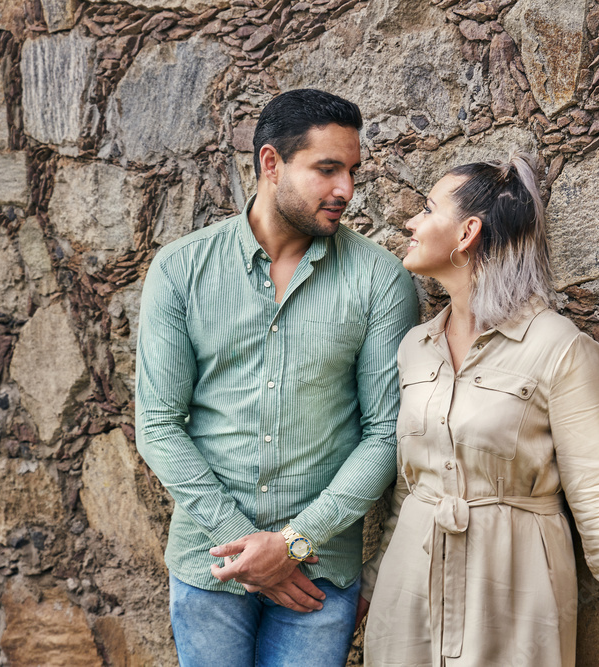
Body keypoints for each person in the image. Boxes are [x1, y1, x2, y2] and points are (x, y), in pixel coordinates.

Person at [359, 154, 599, 666]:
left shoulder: (558, 347)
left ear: (467, 233)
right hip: (409, 588)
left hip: (514, 585)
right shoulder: (414, 348)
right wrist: (374, 582)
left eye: (427, 209)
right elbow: (410, 486)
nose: (411, 223)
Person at [135, 88, 417, 667]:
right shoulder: (181, 270)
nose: (346, 189)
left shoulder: (380, 280)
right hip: (210, 567)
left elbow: (386, 434)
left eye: (352, 171)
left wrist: (293, 543)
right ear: (271, 163)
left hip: (316, 574)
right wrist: (248, 551)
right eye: (327, 169)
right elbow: (158, 424)